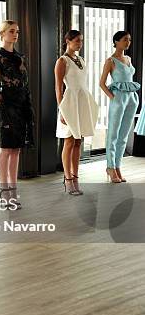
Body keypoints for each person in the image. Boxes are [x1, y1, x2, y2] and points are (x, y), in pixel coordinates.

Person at [0, 20, 34, 208]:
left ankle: (13, 192)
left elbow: (25, 83)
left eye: (16, 31)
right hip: (6, 105)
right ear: (2, 34)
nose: (15, 34)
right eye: (11, 31)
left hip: (22, 104)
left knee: (16, 149)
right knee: (6, 149)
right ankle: (4, 190)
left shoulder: (21, 56)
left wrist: (28, 106)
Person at [55, 30, 98, 195]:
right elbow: (58, 88)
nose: (80, 43)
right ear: (68, 41)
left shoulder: (81, 60)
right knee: (69, 141)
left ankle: (76, 176)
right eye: (77, 41)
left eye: (81, 41)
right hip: (70, 103)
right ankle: (67, 179)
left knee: (79, 141)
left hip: (82, 102)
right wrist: (62, 110)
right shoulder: (62, 61)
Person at [99, 31, 141, 183]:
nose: (128, 42)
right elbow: (101, 83)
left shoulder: (128, 59)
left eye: (129, 40)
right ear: (116, 41)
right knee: (113, 134)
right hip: (118, 100)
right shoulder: (111, 61)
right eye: (125, 40)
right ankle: (110, 167)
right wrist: (113, 97)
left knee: (123, 136)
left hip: (131, 99)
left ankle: (117, 166)